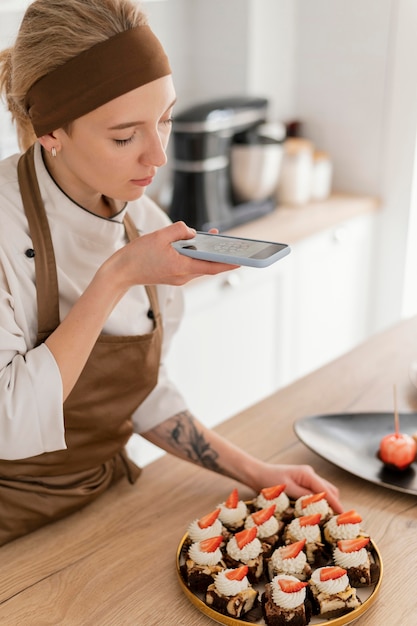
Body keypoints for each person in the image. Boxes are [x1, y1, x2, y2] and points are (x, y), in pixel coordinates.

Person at [0, 0, 342, 546]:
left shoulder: (146, 223)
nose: (157, 157)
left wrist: (258, 474)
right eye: (124, 136)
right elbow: (11, 420)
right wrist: (117, 276)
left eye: (164, 118)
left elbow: (140, 393)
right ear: (51, 133)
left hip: (102, 503)